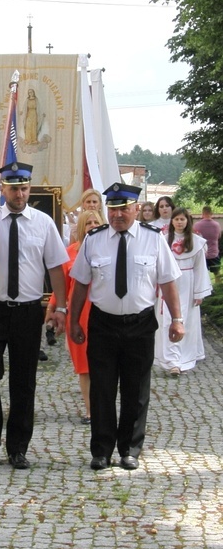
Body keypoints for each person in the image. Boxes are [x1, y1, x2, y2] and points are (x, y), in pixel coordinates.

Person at [70, 182, 182, 472]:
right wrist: (73, 321)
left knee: (136, 389)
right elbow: (81, 283)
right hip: (103, 323)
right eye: (114, 209)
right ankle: (101, 450)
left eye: (124, 208)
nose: (118, 214)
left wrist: (177, 320)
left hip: (140, 323)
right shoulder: (94, 240)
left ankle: (130, 449)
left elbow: (168, 282)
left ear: (135, 208)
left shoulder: (154, 239)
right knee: (102, 389)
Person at [0, 162, 68, 470]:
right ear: (4, 189)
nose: (20, 193)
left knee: (23, 381)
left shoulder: (43, 222)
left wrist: (61, 307)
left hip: (27, 311)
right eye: (14, 188)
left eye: (24, 188)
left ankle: (17, 447)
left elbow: (56, 267)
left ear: (29, 187)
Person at [47, 209, 107, 424]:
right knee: (84, 365)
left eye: (95, 221)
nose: (92, 225)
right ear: (81, 227)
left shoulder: (111, 250)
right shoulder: (71, 252)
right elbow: (61, 285)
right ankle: (91, 410)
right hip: (79, 314)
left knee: (104, 364)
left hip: (104, 312)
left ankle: (103, 407)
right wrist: (54, 309)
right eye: (88, 222)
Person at [155, 207, 211, 375]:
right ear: (171, 222)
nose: (179, 222)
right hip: (168, 283)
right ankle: (171, 361)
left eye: (182, 219)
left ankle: (183, 359)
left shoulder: (197, 242)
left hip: (188, 284)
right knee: (167, 320)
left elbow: (200, 268)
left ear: (188, 221)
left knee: (185, 320)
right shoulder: (163, 240)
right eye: (176, 219)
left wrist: (199, 292)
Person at [194, 205, 222, 285]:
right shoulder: (217, 225)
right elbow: (219, 236)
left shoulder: (197, 225)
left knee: (202, 275)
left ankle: (205, 291)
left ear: (202, 214)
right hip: (214, 253)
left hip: (202, 254)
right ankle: (218, 289)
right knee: (217, 273)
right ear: (211, 213)